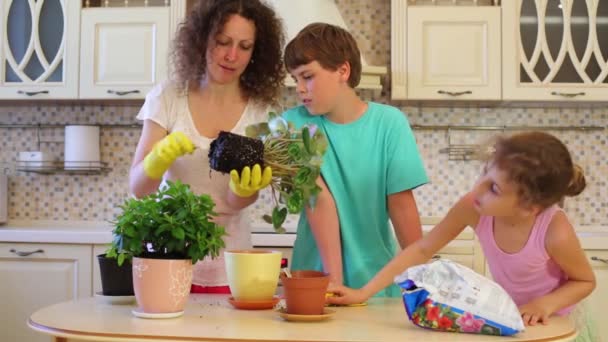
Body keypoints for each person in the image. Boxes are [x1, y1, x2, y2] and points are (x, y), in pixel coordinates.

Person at [327, 131, 596, 327]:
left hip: (558, 321)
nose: (477, 189)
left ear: (529, 207)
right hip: (513, 317)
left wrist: (544, 305)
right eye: (484, 173)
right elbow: (422, 249)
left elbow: (584, 281)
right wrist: (363, 292)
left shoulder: (554, 230)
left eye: (494, 188)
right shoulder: (473, 207)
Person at [129, 0, 285, 294]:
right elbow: (139, 188)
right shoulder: (169, 96)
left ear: (256, 52)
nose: (231, 55)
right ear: (202, 40)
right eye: (222, 42)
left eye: (244, 46)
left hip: (231, 264)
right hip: (168, 255)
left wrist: (242, 192)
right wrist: (158, 158)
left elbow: (237, 203)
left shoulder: (260, 112)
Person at [281, 23, 428, 297]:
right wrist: (333, 283)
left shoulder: (389, 123)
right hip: (314, 282)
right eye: (295, 79)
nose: (299, 89)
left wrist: (424, 280)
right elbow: (317, 200)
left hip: (377, 284)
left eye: (307, 76)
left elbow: (401, 205)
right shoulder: (290, 125)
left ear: (342, 71)